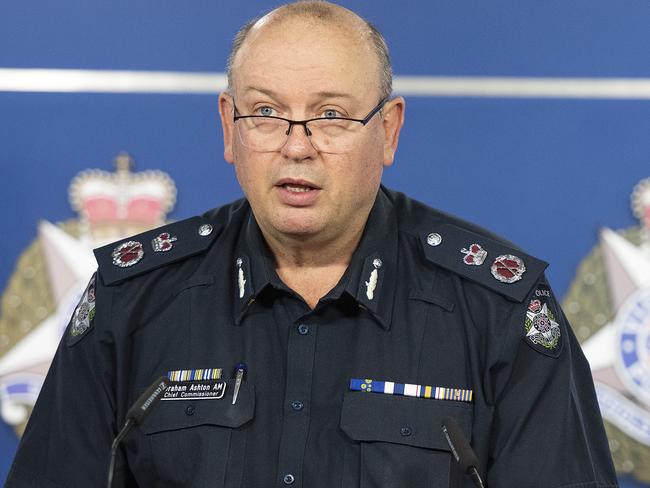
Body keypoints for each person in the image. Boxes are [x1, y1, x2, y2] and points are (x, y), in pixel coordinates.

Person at [7, 2, 618, 487]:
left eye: (330, 116)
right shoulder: (132, 298)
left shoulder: (497, 307)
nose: (297, 146)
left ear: (388, 130)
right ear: (228, 127)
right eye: (266, 113)